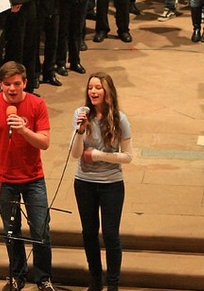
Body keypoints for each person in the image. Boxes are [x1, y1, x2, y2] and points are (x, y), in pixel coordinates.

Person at [0, 61, 56, 291]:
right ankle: (17, 275)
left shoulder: (37, 104)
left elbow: (45, 142)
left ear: (25, 83)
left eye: (17, 84)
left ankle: (43, 278)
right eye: (7, 84)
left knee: (41, 230)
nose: (12, 89)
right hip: (4, 179)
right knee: (11, 231)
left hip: (33, 179)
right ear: (0, 84)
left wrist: (23, 129)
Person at [71, 73, 133, 291]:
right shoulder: (80, 114)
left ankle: (113, 284)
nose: (93, 92)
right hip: (84, 182)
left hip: (111, 184)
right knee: (89, 233)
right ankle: (95, 280)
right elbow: (76, 154)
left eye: (98, 88)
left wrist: (97, 155)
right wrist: (80, 130)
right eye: (90, 88)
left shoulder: (120, 119)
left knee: (110, 234)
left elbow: (128, 156)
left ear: (108, 92)